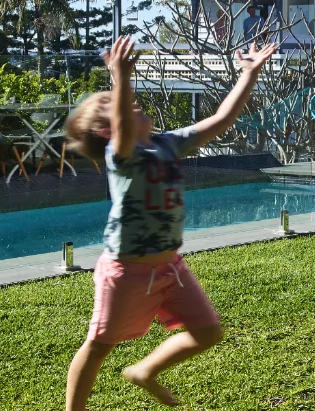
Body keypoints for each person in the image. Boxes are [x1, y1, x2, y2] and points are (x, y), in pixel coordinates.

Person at [62, 33, 277, 409]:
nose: (134, 104)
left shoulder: (167, 144)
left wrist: (249, 74)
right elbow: (125, 133)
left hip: (170, 266)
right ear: (106, 131)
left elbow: (221, 119)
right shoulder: (121, 155)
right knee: (99, 344)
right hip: (125, 271)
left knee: (208, 331)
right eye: (120, 107)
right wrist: (120, 78)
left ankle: (144, 371)